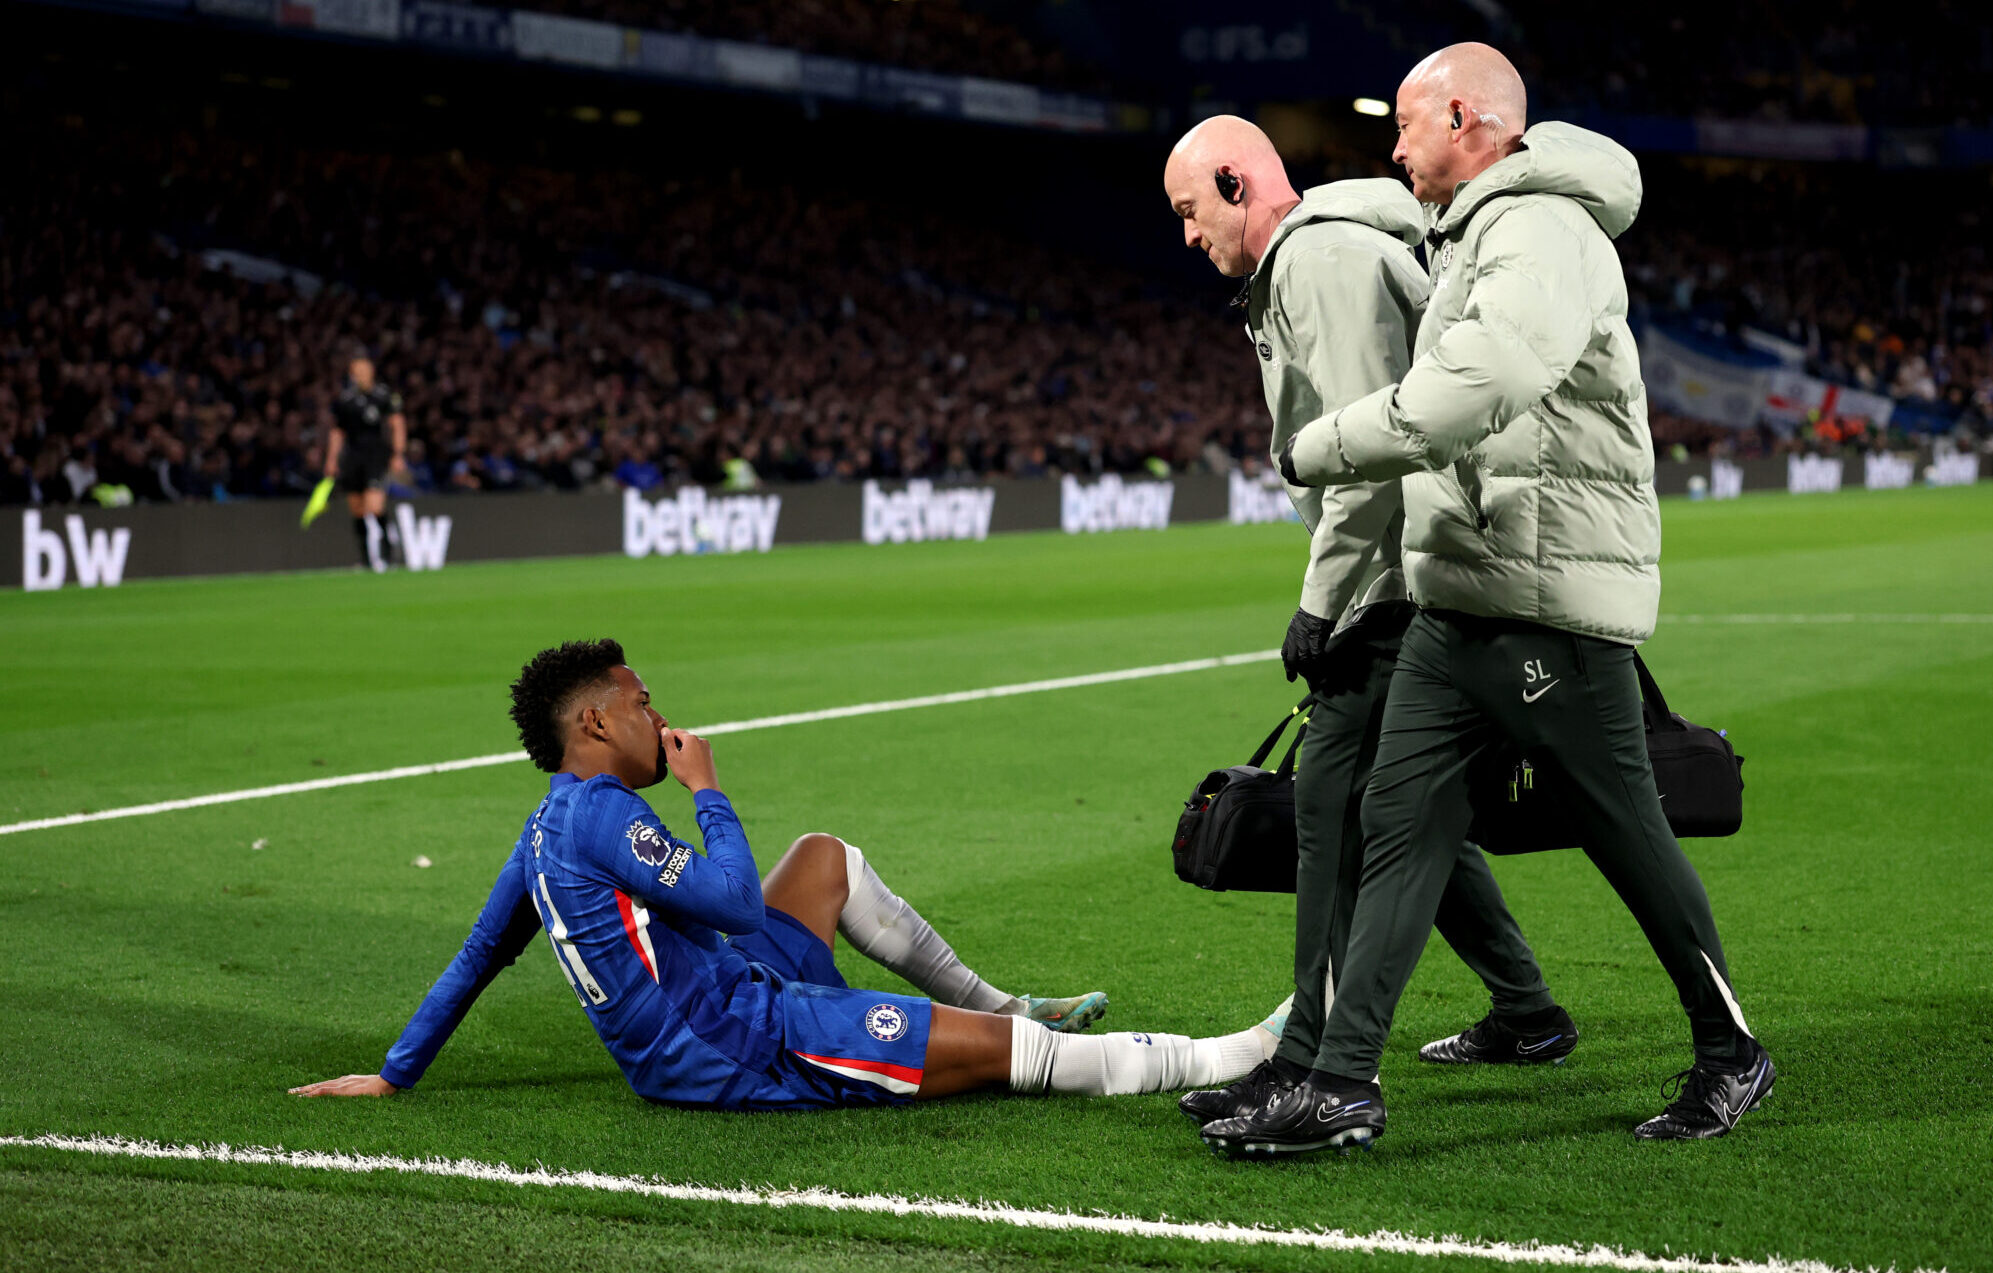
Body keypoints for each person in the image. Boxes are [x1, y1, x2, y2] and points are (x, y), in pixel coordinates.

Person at [1203, 44, 1772, 1156]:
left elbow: (1482, 383)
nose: (1392, 148)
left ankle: (1729, 1048)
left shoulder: (1543, 229)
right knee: (1394, 827)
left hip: (1549, 598)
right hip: (1459, 593)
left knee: (1626, 837)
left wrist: (1322, 444)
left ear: (1464, 119)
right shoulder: (1469, 231)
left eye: (1406, 124)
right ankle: (1341, 1082)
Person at [293, 639, 1287, 1109]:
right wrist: (707, 789)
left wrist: (396, 1070)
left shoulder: (546, 823)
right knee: (1011, 1056)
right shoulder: (603, 815)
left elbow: (480, 952)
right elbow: (730, 899)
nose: (657, 716)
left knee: (822, 858)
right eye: (641, 703)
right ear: (593, 721)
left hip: (729, 986)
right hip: (737, 1043)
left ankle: (1003, 997)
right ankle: (1231, 1055)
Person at [1160, 118, 1578, 1135]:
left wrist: (1322, 604)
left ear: (1236, 181)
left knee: (1333, 805)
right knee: (1407, 813)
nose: (1187, 236)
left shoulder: (1321, 263)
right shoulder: (1311, 264)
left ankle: (1312, 1063)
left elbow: (1375, 444)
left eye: (1190, 210)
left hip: (1399, 582)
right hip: (1408, 574)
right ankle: (1525, 1011)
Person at [324, 356, 406, 572]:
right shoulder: (345, 400)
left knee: (375, 506)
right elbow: (337, 432)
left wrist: (398, 454)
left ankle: (389, 553)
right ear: (352, 375)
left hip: (376, 457)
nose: (361, 375)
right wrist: (331, 459)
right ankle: (366, 560)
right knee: (357, 509)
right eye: (357, 372)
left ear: (371, 372)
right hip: (352, 458)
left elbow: (397, 424)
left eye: (364, 371)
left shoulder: (383, 396)